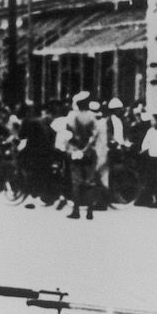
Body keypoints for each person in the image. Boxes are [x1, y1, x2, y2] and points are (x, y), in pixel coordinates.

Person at [64, 91, 100, 220]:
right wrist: (87, 148)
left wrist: (74, 149)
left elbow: (69, 135)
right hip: (90, 153)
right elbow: (95, 135)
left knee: (76, 182)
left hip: (76, 152)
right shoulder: (92, 118)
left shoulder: (73, 118)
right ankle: (90, 212)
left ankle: (76, 211)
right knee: (89, 182)